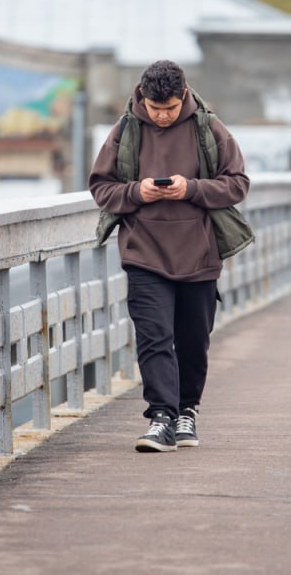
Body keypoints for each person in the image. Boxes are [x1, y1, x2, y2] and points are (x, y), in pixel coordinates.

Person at [88, 60, 251, 453]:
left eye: (170, 109)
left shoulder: (208, 128)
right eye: (155, 108)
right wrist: (137, 193)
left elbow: (238, 184)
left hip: (199, 252)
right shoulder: (126, 130)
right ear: (143, 95)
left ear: (184, 97)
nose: (161, 117)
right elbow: (101, 188)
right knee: (154, 336)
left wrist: (191, 189)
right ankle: (161, 415)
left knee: (194, 340)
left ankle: (186, 411)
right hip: (144, 251)